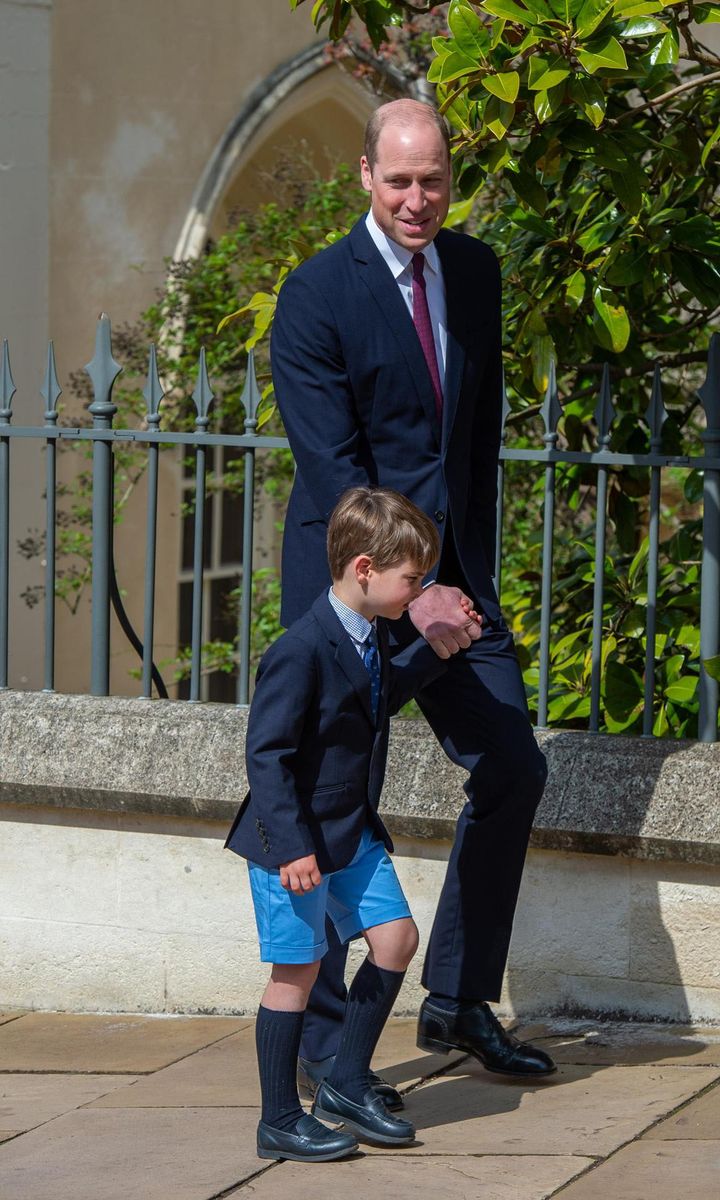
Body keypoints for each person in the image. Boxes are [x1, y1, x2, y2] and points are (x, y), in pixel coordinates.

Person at [270, 98, 555, 1100]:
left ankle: (460, 1001)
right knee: (342, 802)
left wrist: (461, 582)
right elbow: (339, 475)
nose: (417, 199)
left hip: (452, 594)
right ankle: (329, 1043)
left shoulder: (475, 274)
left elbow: (470, 443)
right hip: (352, 596)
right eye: (398, 180)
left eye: (432, 179)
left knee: (515, 765)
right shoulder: (314, 298)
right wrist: (414, 590)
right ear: (364, 176)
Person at [226, 486, 462, 1162]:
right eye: (411, 579)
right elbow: (265, 756)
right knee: (295, 974)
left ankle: (348, 1083)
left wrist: (436, 646)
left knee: (395, 939)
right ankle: (279, 1119)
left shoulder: (372, 637)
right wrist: (291, 848)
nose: (418, 590)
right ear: (365, 569)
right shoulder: (300, 649)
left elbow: (371, 700)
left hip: (350, 832)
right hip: (295, 845)